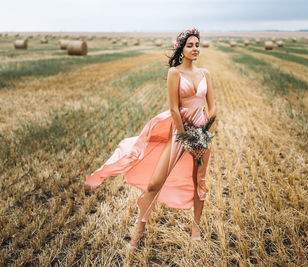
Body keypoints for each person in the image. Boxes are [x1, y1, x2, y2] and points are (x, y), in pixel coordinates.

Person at [85, 27, 216, 249]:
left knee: (199, 183)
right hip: (179, 134)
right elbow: (174, 109)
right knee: (155, 183)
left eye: (197, 45)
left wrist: (203, 134)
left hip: (202, 136)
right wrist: (186, 137)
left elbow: (212, 107)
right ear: (181, 49)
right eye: (190, 45)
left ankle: (196, 229)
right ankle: (140, 228)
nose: (195, 49)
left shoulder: (205, 74)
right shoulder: (174, 73)